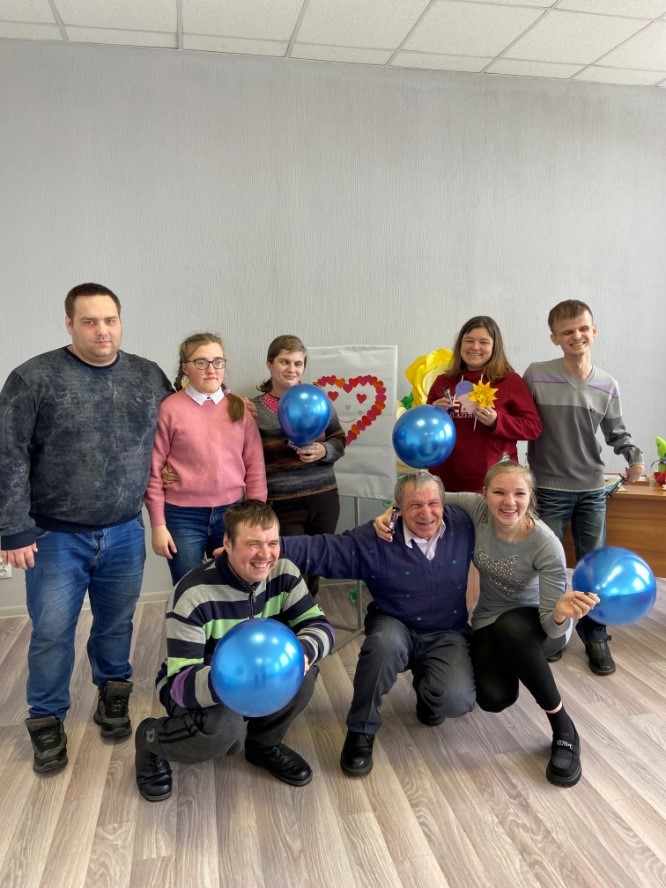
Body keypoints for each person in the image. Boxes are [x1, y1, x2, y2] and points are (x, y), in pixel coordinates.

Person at [0, 283, 172, 773]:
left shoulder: (147, 375)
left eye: (110, 320)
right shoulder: (33, 378)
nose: (102, 331)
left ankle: (113, 692)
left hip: (124, 530)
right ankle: (46, 716)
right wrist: (13, 529)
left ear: (120, 322)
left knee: (117, 622)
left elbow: (178, 430)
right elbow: (7, 454)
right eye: (90, 321)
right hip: (53, 535)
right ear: (69, 324)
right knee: (53, 632)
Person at [376, 461, 599, 787]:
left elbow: (552, 629)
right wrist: (391, 511)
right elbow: (426, 498)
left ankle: (563, 728)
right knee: (494, 698)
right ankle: (505, 660)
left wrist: (562, 612)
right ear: (484, 494)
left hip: (540, 621)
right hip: (489, 618)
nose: (509, 502)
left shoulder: (546, 544)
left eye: (519, 493)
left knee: (512, 627)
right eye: (499, 492)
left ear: (530, 496)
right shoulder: (476, 508)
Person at [279, 471, 476, 779]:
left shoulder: (463, 524)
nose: (426, 513)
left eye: (433, 503)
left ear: (443, 503)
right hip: (394, 623)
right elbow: (322, 549)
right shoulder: (377, 538)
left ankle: (428, 690)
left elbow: (503, 513)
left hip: (446, 631)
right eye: (415, 505)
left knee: (457, 700)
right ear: (398, 508)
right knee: (384, 644)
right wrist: (264, 547)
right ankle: (361, 729)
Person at [134, 500, 334, 802]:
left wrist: (302, 653)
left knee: (303, 675)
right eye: (253, 544)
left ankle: (263, 745)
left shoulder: (284, 573)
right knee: (224, 731)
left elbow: (321, 627)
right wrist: (234, 682)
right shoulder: (192, 594)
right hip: (197, 682)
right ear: (227, 543)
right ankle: (150, 739)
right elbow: (179, 684)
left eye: (272, 543)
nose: (265, 555)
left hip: (257, 679)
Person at [524, 300, 644, 676]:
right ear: (554, 338)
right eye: (567, 331)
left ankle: (595, 635)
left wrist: (634, 457)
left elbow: (617, 433)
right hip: (547, 487)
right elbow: (519, 421)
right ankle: (553, 633)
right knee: (550, 565)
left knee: (594, 568)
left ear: (594, 331)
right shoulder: (536, 375)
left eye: (582, 328)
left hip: (592, 489)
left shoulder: (607, 384)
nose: (576, 336)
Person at [144, 333, 266, 586]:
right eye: (201, 362)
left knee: (235, 584)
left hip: (233, 512)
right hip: (182, 517)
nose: (211, 369)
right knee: (189, 586)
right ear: (185, 367)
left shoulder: (238, 408)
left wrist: (256, 517)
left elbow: (255, 466)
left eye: (218, 362)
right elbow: (154, 470)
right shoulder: (170, 408)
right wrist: (158, 525)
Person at [251, 335, 345, 596]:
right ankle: (291, 615)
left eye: (298, 363)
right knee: (291, 568)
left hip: (324, 497)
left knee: (317, 564)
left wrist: (324, 450)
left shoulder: (319, 399)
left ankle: (309, 614)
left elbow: (339, 439)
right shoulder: (254, 409)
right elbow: (247, 456)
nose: (291, 369)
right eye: (284, 361)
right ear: (270, 364)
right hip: (283, 503)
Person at [427, 316, 542, 493]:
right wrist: (434, 414)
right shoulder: (443, 381)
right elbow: (427, 433)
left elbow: (533, 428)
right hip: (445, 481)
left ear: (495, 347)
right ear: (460, 345)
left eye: (483, 342)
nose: (475, 347)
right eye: (469, 341)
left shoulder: (510, 381)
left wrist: (497, 421)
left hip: (495, 484)